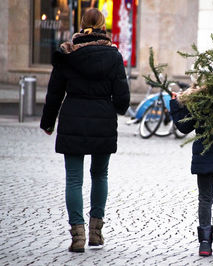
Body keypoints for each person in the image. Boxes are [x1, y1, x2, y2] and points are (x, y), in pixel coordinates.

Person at [40, 8, 130, 253]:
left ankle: (77, 236)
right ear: (102, 25)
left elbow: (54, 93)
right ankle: (96, 233)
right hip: (102, 120)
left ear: (81, 25)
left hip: (72, 120)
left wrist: (48, 123)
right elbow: (123, 99)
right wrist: (115, 108)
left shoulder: (67, 53)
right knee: (100, 175)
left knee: (74, 179)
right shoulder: (113, 56)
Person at [169, 86, 213, 256]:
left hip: (204, 153)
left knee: (205, 197)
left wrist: (175, 103)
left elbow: (184, 127)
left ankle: (204, 243)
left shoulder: (197, 99)